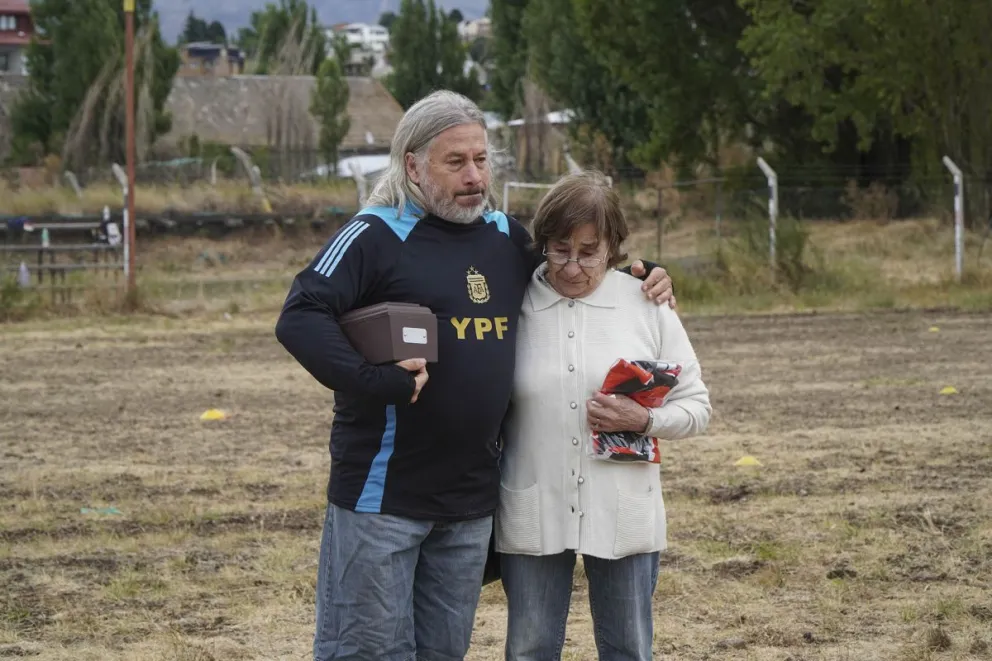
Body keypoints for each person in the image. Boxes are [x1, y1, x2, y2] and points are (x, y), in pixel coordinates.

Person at [274, 90, 675, 661]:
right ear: (412, 164)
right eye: (455, 161)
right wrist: (373, 378)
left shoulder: (504, 237)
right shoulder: (374, 234)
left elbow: (574, 271)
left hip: (469, 507)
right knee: (367, 653)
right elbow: (300, 315)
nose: (473, 176)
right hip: (382, 498)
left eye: (481, 160)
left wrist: (642, 276)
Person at [496, 170, 712, 661]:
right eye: (558, 249)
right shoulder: (516, 305)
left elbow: (697, 407)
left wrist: (644, 420)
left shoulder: (646, 305)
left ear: (614, 245)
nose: (572, 266)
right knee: (528, 648)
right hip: (533, 505)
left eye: (589, 251)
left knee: (628, 649)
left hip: (624, 509)